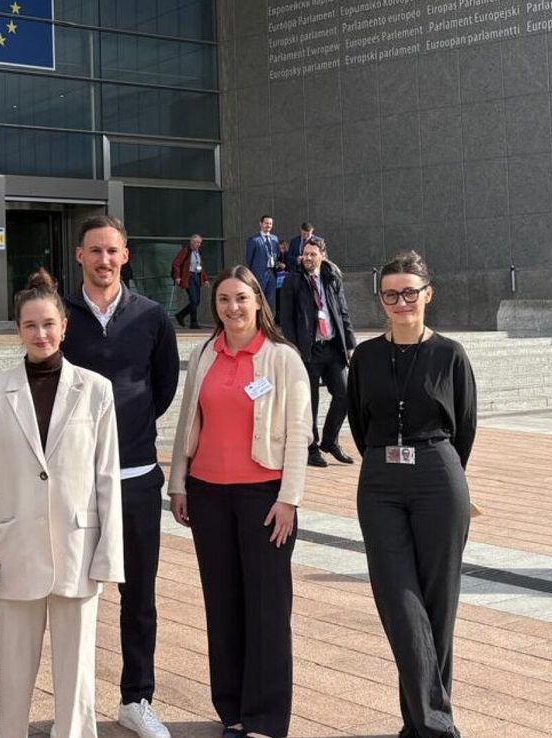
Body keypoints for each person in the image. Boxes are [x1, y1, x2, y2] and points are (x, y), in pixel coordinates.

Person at [0, 269, 124, 738]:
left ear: (65, 326)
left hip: (78, 550)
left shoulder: (96, 390)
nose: (40, 334)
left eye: (49, 324)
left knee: (77, 681)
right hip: (10, 552)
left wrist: (109, 555)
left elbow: (107, 476)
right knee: (11, 677)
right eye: (30, 325)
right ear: (18, 330)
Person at [167, 265, 312, 738]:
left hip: (264, 497)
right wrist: (180, 483)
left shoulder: (282, 358)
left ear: (258, 303)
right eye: (224, 300)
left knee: (267, 607)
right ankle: (231, 709)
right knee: (223, 603)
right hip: (208, 494)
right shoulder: (205, 352)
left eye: (241, 299)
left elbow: (298, 435)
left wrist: (289, 499)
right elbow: (189, 420)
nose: (232, 308)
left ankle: (266, 718)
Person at [348, 251, 476, 738]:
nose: (400, 302)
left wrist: (440, 469)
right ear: (380, 300)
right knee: (398, 599)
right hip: (380, 481)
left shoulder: (450, 354)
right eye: (390, 294)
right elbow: (360, 424)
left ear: (428, 294)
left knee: (439, 605)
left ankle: (419, 724)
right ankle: (437, 726)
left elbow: (464, 425)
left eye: (409, 292)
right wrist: (384, 459)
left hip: (439, 479)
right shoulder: (365, 354)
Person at [61, 214, 178, 738]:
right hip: (73, 481)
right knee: (71, 592)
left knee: (139, 594)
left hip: (135, 474)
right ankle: (75, 700)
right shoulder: (60, 317)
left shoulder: (153, 316)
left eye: (112, 251)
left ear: (125, 256)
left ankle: (137, 697)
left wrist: (125, 427)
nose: (104, 260)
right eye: (94, 251)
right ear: (79, 256)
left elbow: (163, 386)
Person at [278, 237, 357, 467]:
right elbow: (286, 319)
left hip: (332, 347)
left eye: (313, 254)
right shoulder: (293, 280)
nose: (308, 258)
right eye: (306, 254)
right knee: (309, 401)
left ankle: (330, 441)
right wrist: (293, 348)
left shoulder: (332, 278)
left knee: (345, 395)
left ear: (323, 255)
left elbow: (342, 311)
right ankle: (311, 448)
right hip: (308, 350)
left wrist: (349, 343)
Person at [170, 233, 209, 329]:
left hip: (197, 277)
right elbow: (176, 264)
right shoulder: (186, 251)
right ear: (192, 242)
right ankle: (193, 322)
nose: (199, 245)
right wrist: (177, 277)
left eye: (200, 243)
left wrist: (205, 279)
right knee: (193, 300)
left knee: (197, 301)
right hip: (189, 277)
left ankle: (180, 315)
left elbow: (201, 267)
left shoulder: (198, 253)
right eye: (197, 242)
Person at [244, 215, 280, 302]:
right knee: (258, 300)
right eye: (266, 223)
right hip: (259, 275)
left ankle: (269, 316)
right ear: (261, 224)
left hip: (272, 274)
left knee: (270, 301)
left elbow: (277, 254)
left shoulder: (275, 239)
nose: (268, 225)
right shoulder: (254, 240)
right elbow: (249, 259)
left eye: (270, 224)